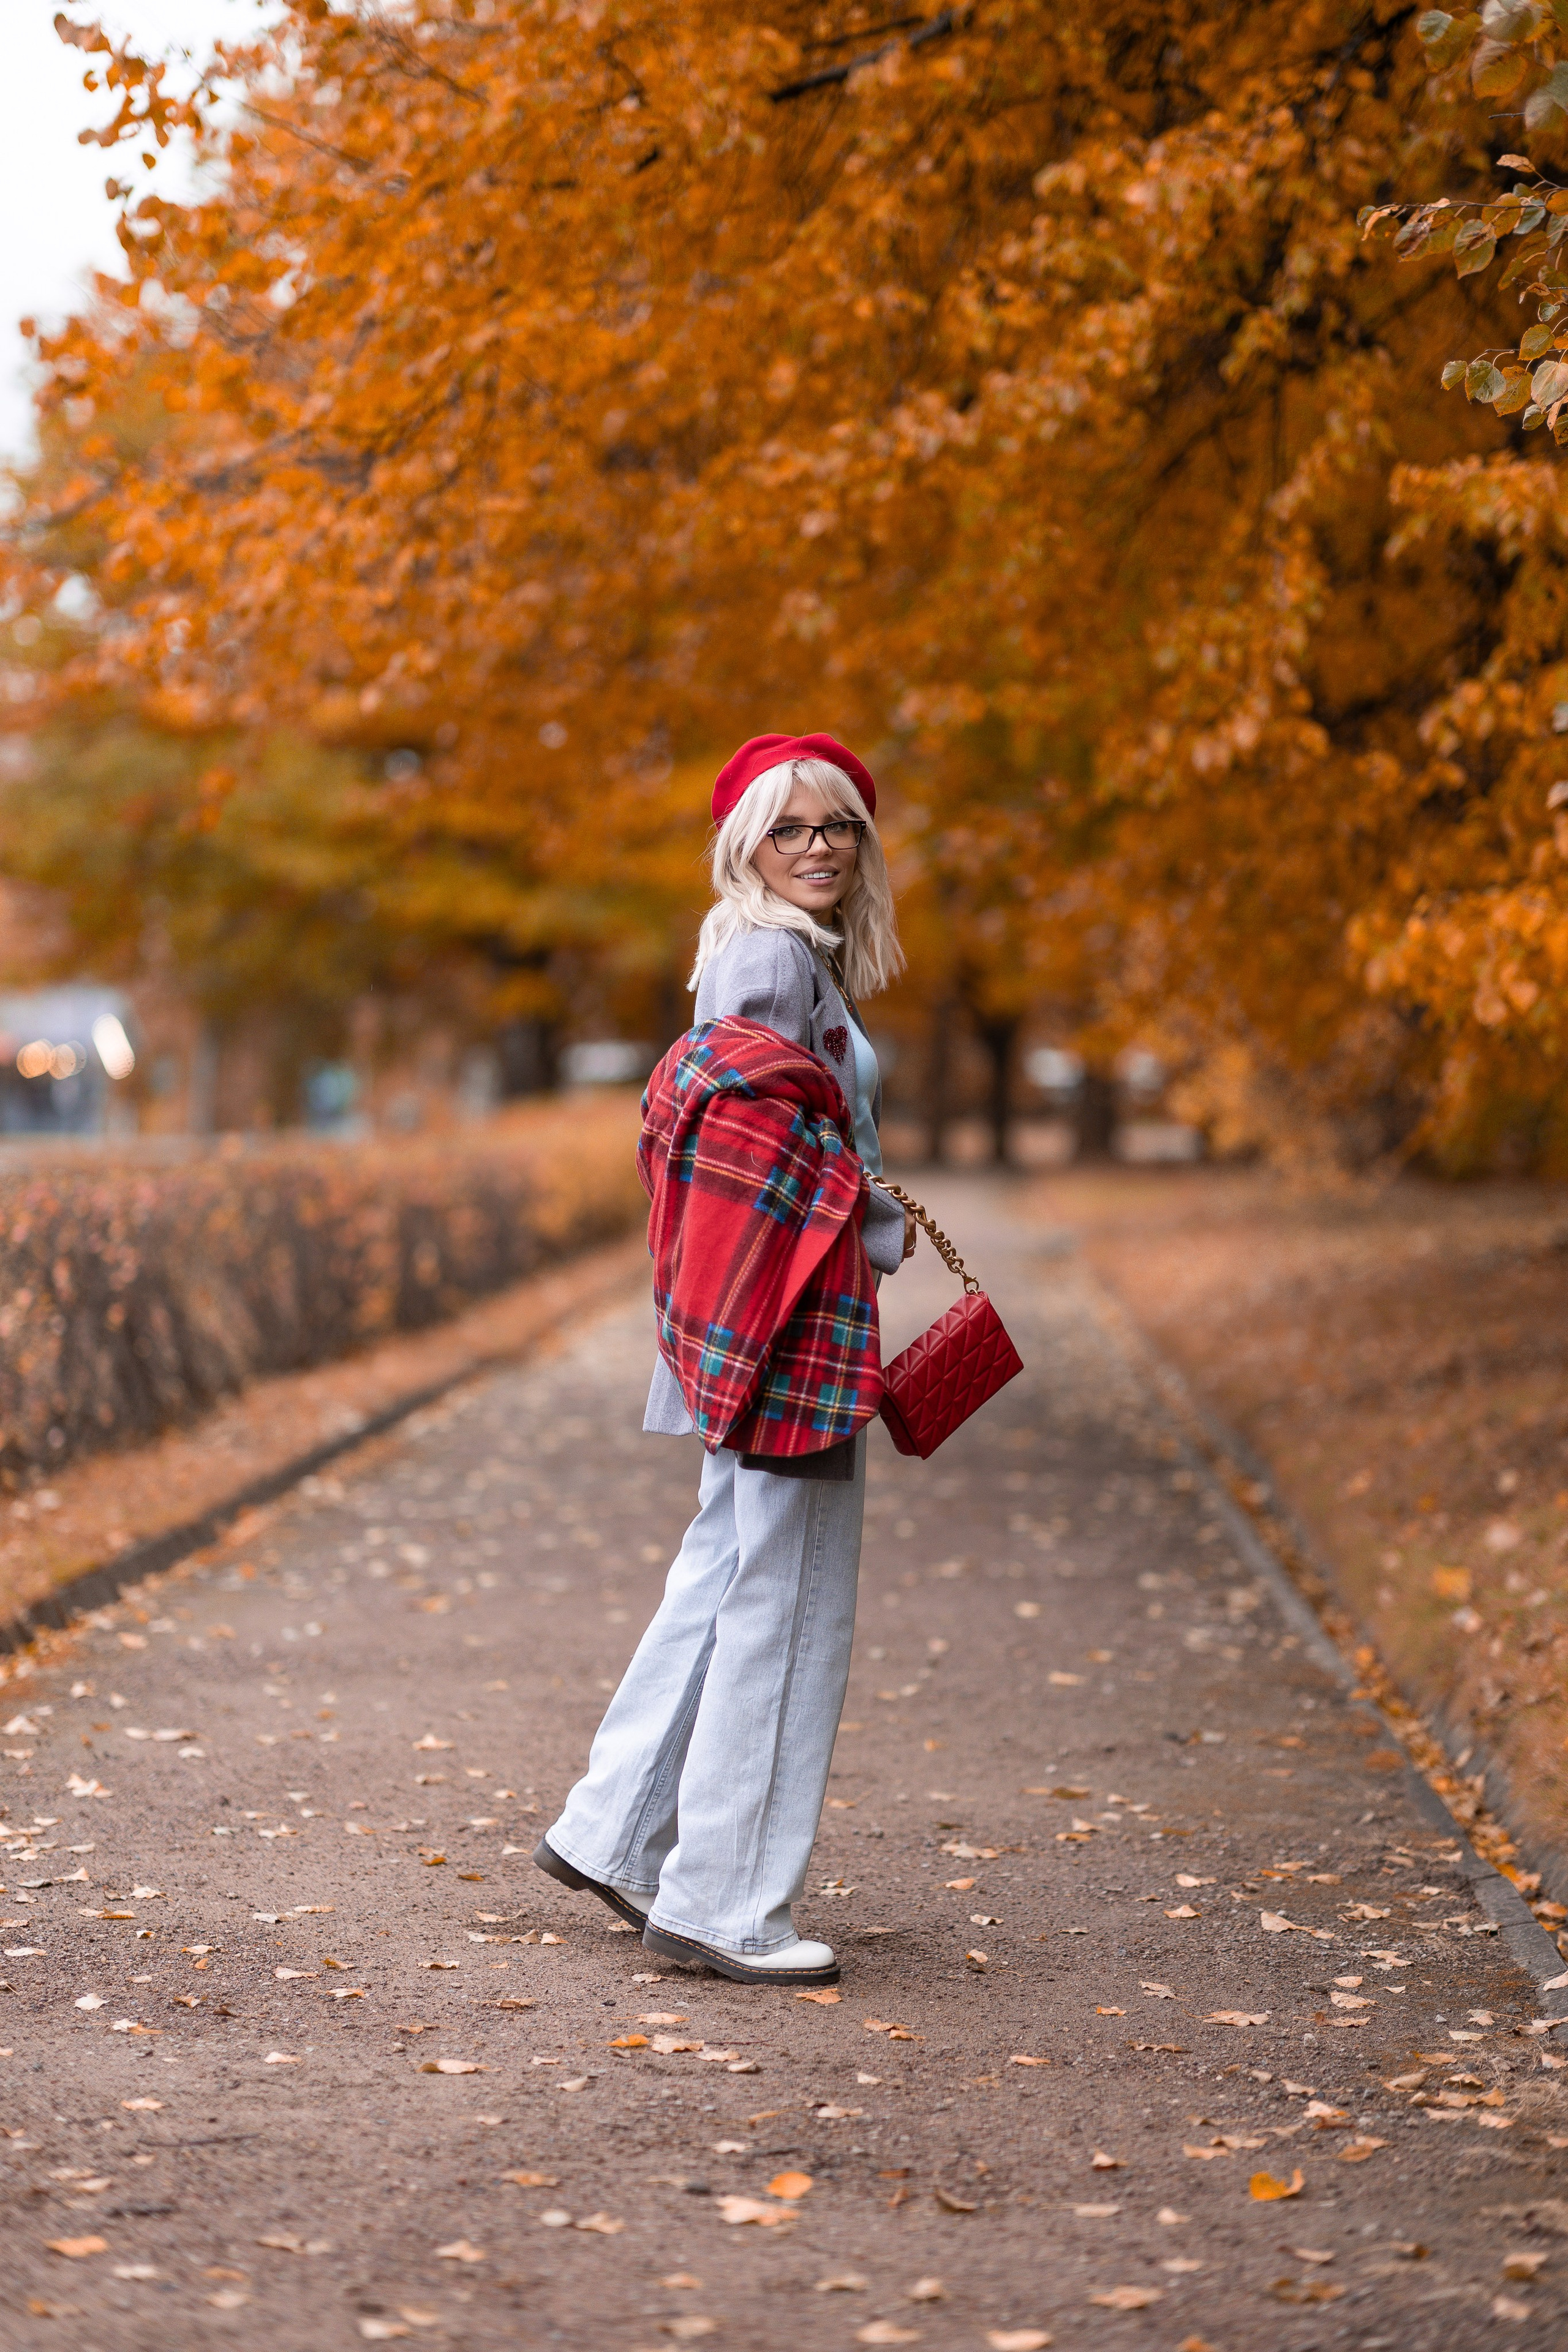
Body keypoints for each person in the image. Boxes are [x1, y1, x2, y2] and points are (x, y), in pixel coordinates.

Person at [534, 733, 914, 1986]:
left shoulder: (772, 953)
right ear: (745, 843)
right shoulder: (765, 956)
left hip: (762, 1317)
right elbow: (746, 1150)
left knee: (725, 1571)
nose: (815, 847)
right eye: (789, 828)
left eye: (837, 827)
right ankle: (724, 1902)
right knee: (786, 1601)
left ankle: (615, 1825)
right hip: (788, 1322)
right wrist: (859, 1212)